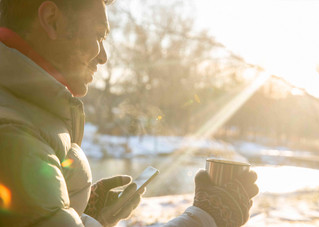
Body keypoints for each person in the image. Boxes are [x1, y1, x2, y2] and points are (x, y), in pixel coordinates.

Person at [0, 0, 259, 226]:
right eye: (99, 35)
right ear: (51, 20)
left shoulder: (26, 111)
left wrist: (84, 213)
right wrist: (206, 218)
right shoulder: (14, 133)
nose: (103, 57)